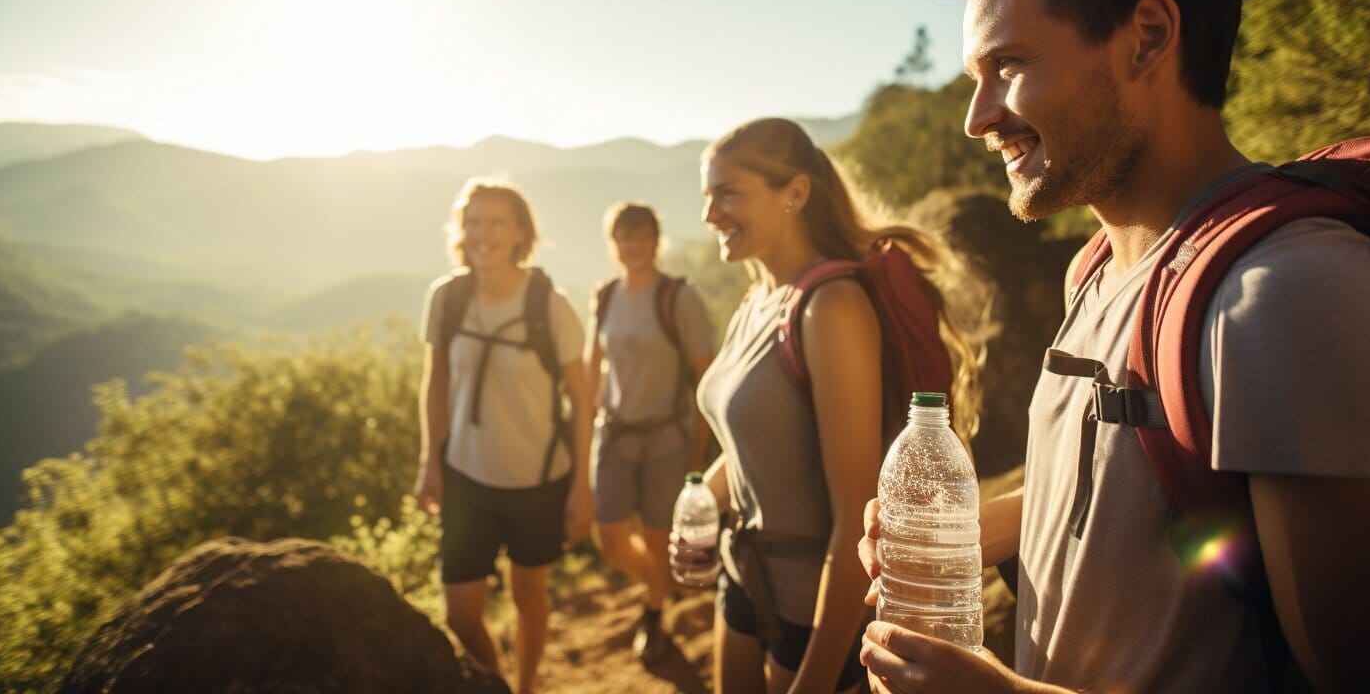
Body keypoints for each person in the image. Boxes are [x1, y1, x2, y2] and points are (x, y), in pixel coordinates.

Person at [857, 0, 1370, 692]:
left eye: (1008, 65)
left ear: (1149, 37)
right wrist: (989, 528)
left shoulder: (1289, 296)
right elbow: (1132, 501)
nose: (978, 117)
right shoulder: (1098, 269)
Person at [680, 117, 968, 694]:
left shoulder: (831, 308)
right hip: (743, 578)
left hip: (809, 608)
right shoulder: (757, 300)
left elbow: (854, 514)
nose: (710, 214)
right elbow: (757, 439)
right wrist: (699, 498)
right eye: (708, 196)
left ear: (795, 194)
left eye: (728, 193)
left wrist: (815, 679)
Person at [414, 178, 594, 694]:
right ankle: (496, 685)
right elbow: (437, 383)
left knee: (528, 596)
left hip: (536, 481)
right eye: (472, 221)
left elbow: (582, 401)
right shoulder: (446, 299)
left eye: (496, 222)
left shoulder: (548, 305)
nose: (482, 233)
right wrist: (429, 461)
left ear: (520, 233)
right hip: (465, 477)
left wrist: (583, 487)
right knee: (461, 612)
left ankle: (528, 684)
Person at [585, 201, 717, 663]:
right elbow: (591, 370)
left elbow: (707, 379)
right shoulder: (605, 297)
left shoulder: (679, 297)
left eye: (642, 236)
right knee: (611, 536)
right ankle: (663, 581)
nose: (634, 245)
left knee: (660, 534)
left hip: (667, 435)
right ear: (613, 243)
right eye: (625, 237)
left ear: (656, 241)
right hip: (616, 432)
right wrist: (582, 435)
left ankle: (654, 613)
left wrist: (697, 452)